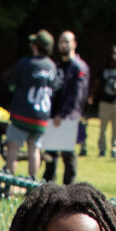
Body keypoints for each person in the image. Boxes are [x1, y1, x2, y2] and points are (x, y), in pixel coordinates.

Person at [2, 31, 60, 181]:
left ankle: (8, 183)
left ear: (35, 47)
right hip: (41, 117)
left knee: (13, 149)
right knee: (34, 150)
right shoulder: (52, 66)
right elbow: (56, 86)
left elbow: (8, 78)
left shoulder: (26, 63)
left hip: (22, 114)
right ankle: (32, 184)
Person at [42, 31, 89, 186]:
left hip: (68, 118)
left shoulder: (79, 67)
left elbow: (78, 96)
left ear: (74, 44)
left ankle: (69, 191)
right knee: (50, 156)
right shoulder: (57, 66)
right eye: (61, 41)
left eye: (66, 42)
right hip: (53, 116)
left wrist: (62, 116)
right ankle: (48, 189)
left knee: (68, 156)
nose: (63, 45)